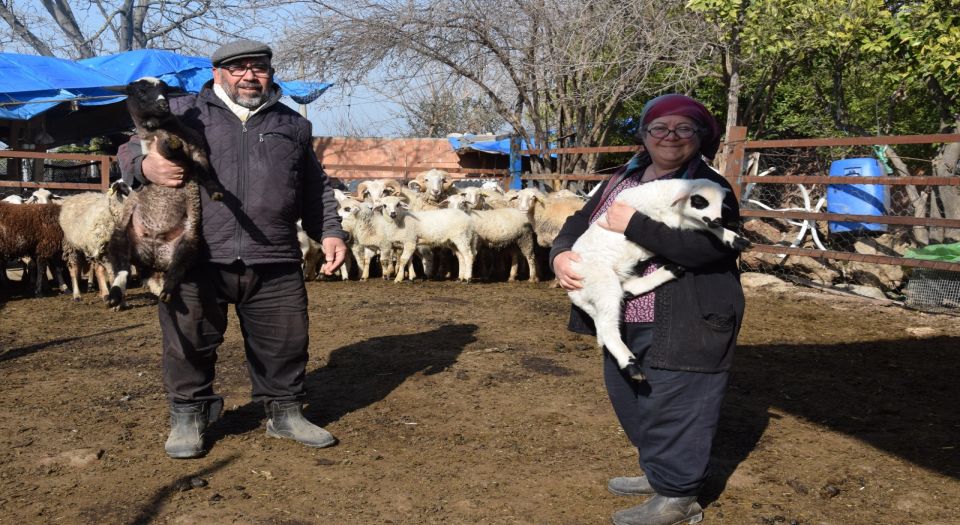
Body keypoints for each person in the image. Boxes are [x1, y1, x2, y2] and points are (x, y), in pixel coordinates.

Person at [118, 39, 349, 459]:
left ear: (270, 73)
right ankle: (189, 415)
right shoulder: (187, 111)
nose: (249, 75)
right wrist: (142, 165)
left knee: (285, 342)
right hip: (196, 253)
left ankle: (286, 412)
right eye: (238, 67)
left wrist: (330, 231)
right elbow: (132, 147)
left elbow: (314, 186)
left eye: (257, 67)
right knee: (188, 341)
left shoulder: (293, 125)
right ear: (217, 73)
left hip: (274, 253)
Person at [550, 94, 744, 525]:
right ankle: (660, 474)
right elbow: (579, 222)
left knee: (677, 403)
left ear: (700, 137)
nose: (670, 137)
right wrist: (561, 256)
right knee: (632, 397)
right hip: (623, 310)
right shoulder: (623, 176)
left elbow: (706, 248)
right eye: (659, 128)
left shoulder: (708, 187)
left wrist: (632, 224)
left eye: (684, 129)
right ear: (644, 134)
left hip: (687, 317)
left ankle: (679, 497)